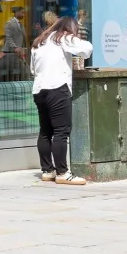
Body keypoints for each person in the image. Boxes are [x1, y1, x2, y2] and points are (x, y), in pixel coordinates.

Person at [30, 15, 93, 185]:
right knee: (61, 132)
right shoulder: (63, 38)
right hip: (57, 88)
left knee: (45, 131)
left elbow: (32, 69)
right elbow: (87, 49)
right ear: (70, 28)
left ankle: (47, 170)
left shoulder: (40, 41)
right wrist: (76, 39)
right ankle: (63, 173)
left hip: (39, 90)